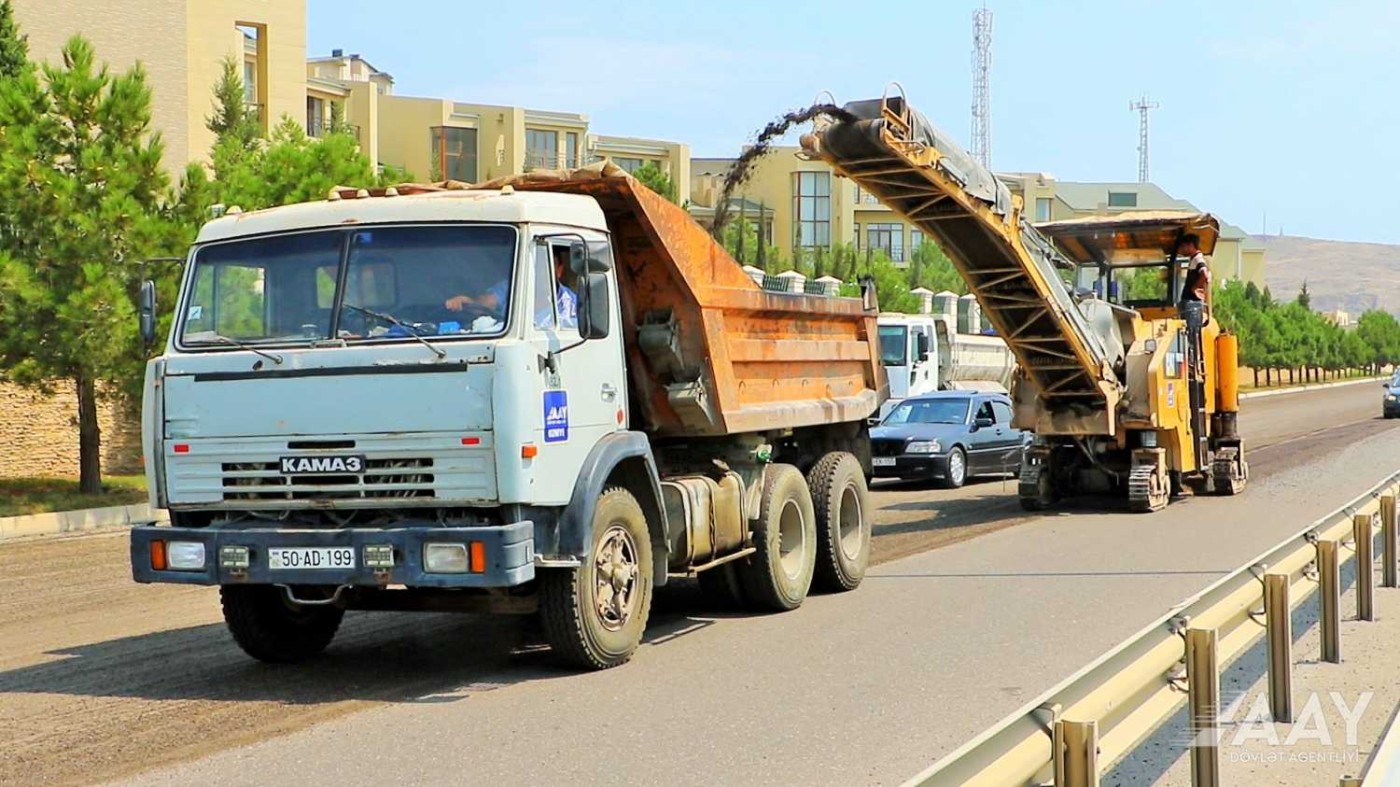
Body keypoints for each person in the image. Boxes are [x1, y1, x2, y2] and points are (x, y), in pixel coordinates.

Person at [443, 245, 577, 329]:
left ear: (559, 270)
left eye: (546, 265)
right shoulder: (511, 286)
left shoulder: (572, 305)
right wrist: (468, 302)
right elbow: (485, 304)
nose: (541, 271)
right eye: (537, 264)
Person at [1177, 234, 1211, 303]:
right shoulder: (1193, 259)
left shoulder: (1198, 259)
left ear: (1191, 245)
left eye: (1184, 246)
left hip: (1192, 302)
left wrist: (1195, 287)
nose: (1183, 249)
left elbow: (1204, 274)